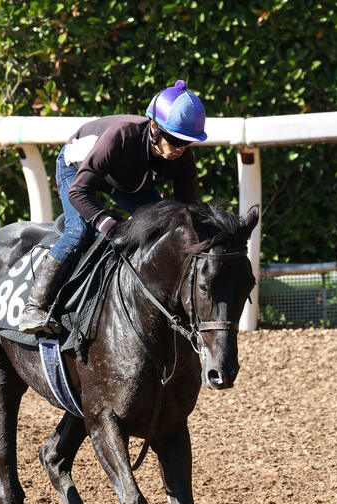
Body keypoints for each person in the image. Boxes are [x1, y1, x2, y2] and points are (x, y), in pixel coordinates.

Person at [18, 79, 208, 335]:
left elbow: (187, 213)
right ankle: (34, 306)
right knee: (80, 231)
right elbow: (79, 191)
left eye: (187, 143)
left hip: (125, 180)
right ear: (154, 127)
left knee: (167, 229)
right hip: (76, 171)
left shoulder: (181, 157)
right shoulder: (121, 136)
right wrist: (104, 221)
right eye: (174, 140)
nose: (179, 149)